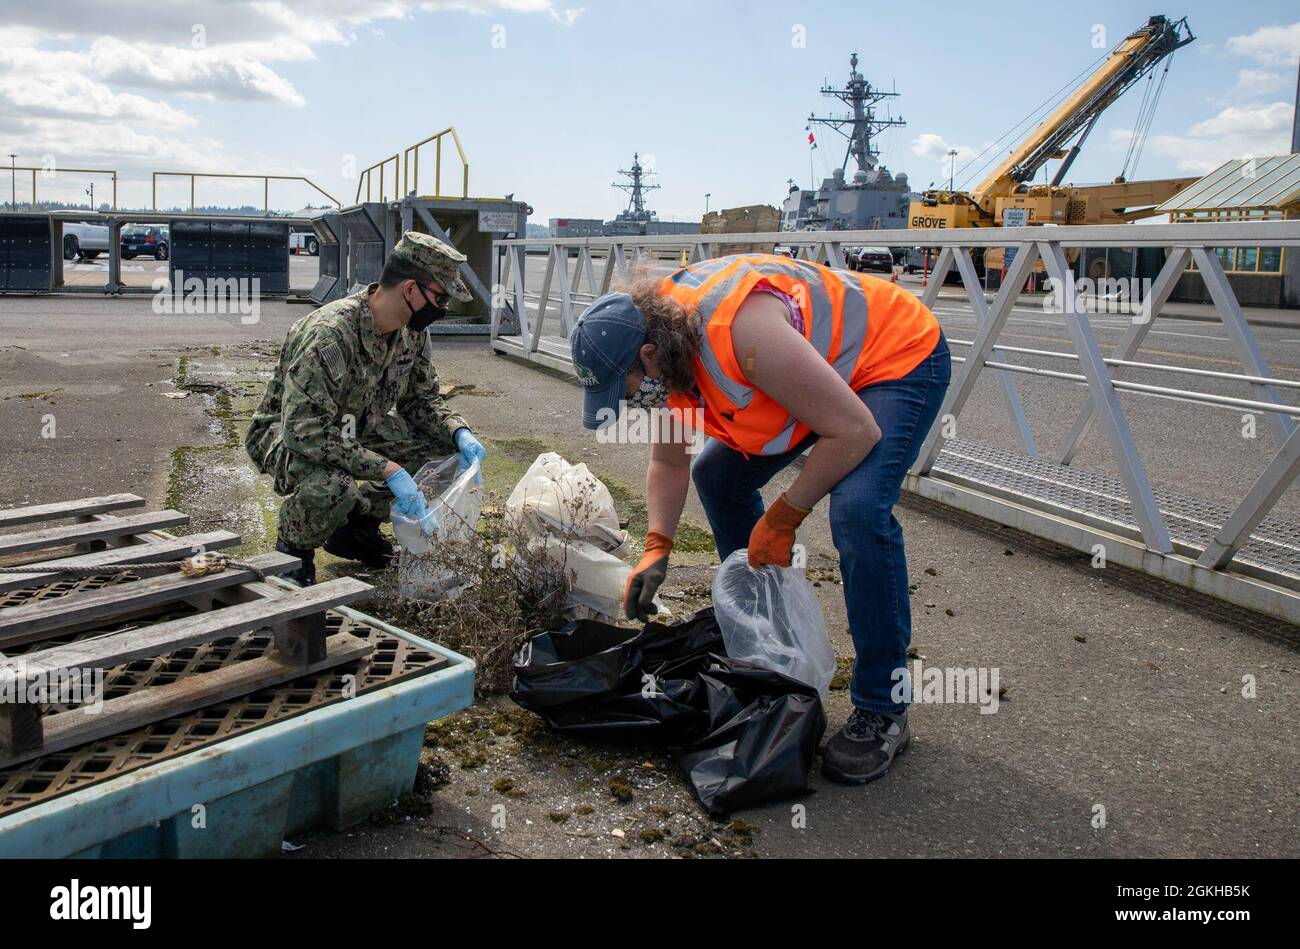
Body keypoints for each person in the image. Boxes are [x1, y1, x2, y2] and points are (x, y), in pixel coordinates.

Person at [570, 253, 950, 785]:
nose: (629, 403)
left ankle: (882, 707)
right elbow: (669, 460)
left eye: (625, 389)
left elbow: (854, 431)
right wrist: (657, 546)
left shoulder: (738, 333)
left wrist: (785, 515)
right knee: (718, 477)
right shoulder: (666, 348)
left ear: (649, 355)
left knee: (859, 512)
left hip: (892, 358)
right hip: (817, 376)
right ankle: (766, 644)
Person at [246, 231, 488, 586]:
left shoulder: (412, 332)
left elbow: (419, 400)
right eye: (439, 297)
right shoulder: (331, 334)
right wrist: (388, 469)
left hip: (355, 428)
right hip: (286, 435)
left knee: (444, 455)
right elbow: (304, 431)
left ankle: (354, 531)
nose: (443, 308)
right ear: (409, 290)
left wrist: (458, 432)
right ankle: (294, 549)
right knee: (333, 487)